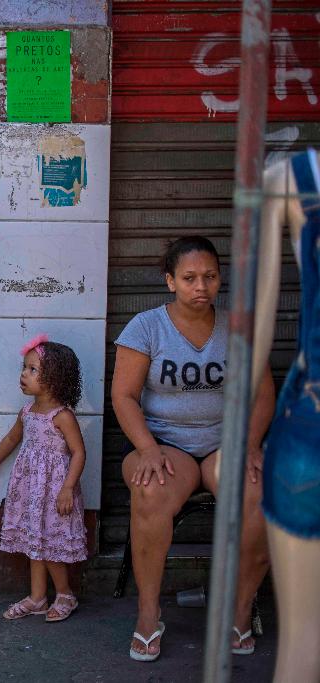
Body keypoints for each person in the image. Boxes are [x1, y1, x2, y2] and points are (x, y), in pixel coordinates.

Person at [110, 236, 275, 662]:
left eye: (210, 276)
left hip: (226, 443)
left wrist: (252, 444)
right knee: (148, 491)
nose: (200, 286)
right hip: (166, 446)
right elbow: (124, 396)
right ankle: (148, 614)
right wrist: (146, 448)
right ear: (170, 281)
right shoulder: (146, 327)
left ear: (220, 279)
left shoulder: (238, 327)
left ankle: (239, 611)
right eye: (189, 278)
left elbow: (261, 395)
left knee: (258, 492)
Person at [246, 151, 320, 682]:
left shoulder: (293, 178)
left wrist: (240, 438)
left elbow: (254, 344)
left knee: (302, 646)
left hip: (308, 427)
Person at [0, 335, 87, 623]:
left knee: (50, 545)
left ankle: (65, 594)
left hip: (55, 490)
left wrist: (68, 488)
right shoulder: (27, 413)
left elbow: (79, 452)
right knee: (36, 540)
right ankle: (37, 598)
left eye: (33, 369)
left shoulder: (62, 416)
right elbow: (11, 440)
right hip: (31, 489)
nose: (24, 374)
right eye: (24, 367)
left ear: (54, 378)